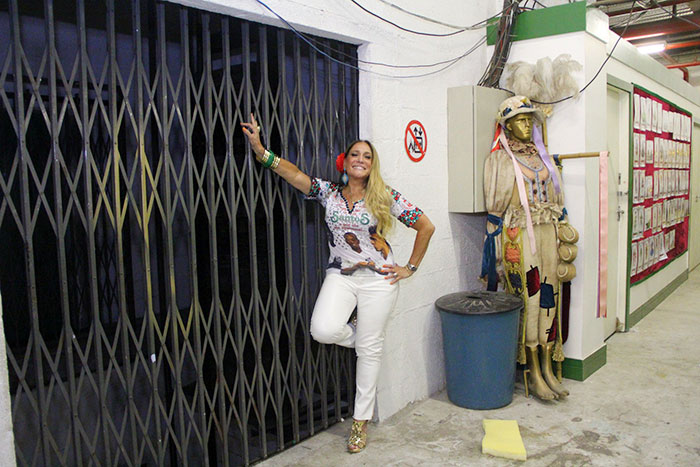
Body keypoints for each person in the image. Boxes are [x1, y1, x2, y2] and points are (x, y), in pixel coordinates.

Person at [241, 114, 435, 452]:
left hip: (379, 280)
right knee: (324, 329)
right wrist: (260, 150)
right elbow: (295, 175)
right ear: (345, 161)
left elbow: (426, 226)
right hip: (342, 275)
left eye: (367, 156)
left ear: (372, 165)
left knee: (369, 352)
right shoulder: (329, 192)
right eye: (355, 155)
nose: (360, 160)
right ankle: (364, 337)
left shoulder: (384, 197)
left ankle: (360, 423)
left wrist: (410, 267)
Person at [482, 95, 573, 401]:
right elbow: (494, 207)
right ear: (506, 126)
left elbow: (557, 199)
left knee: (551, 294)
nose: (525, 124)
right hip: (518, 233)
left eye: (529, 119)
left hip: (547, 229)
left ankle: (547, 366)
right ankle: (532, 371)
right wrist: (492, 247)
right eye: (519, 120)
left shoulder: (544, 157)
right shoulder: (500, 160)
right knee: (529, 295)